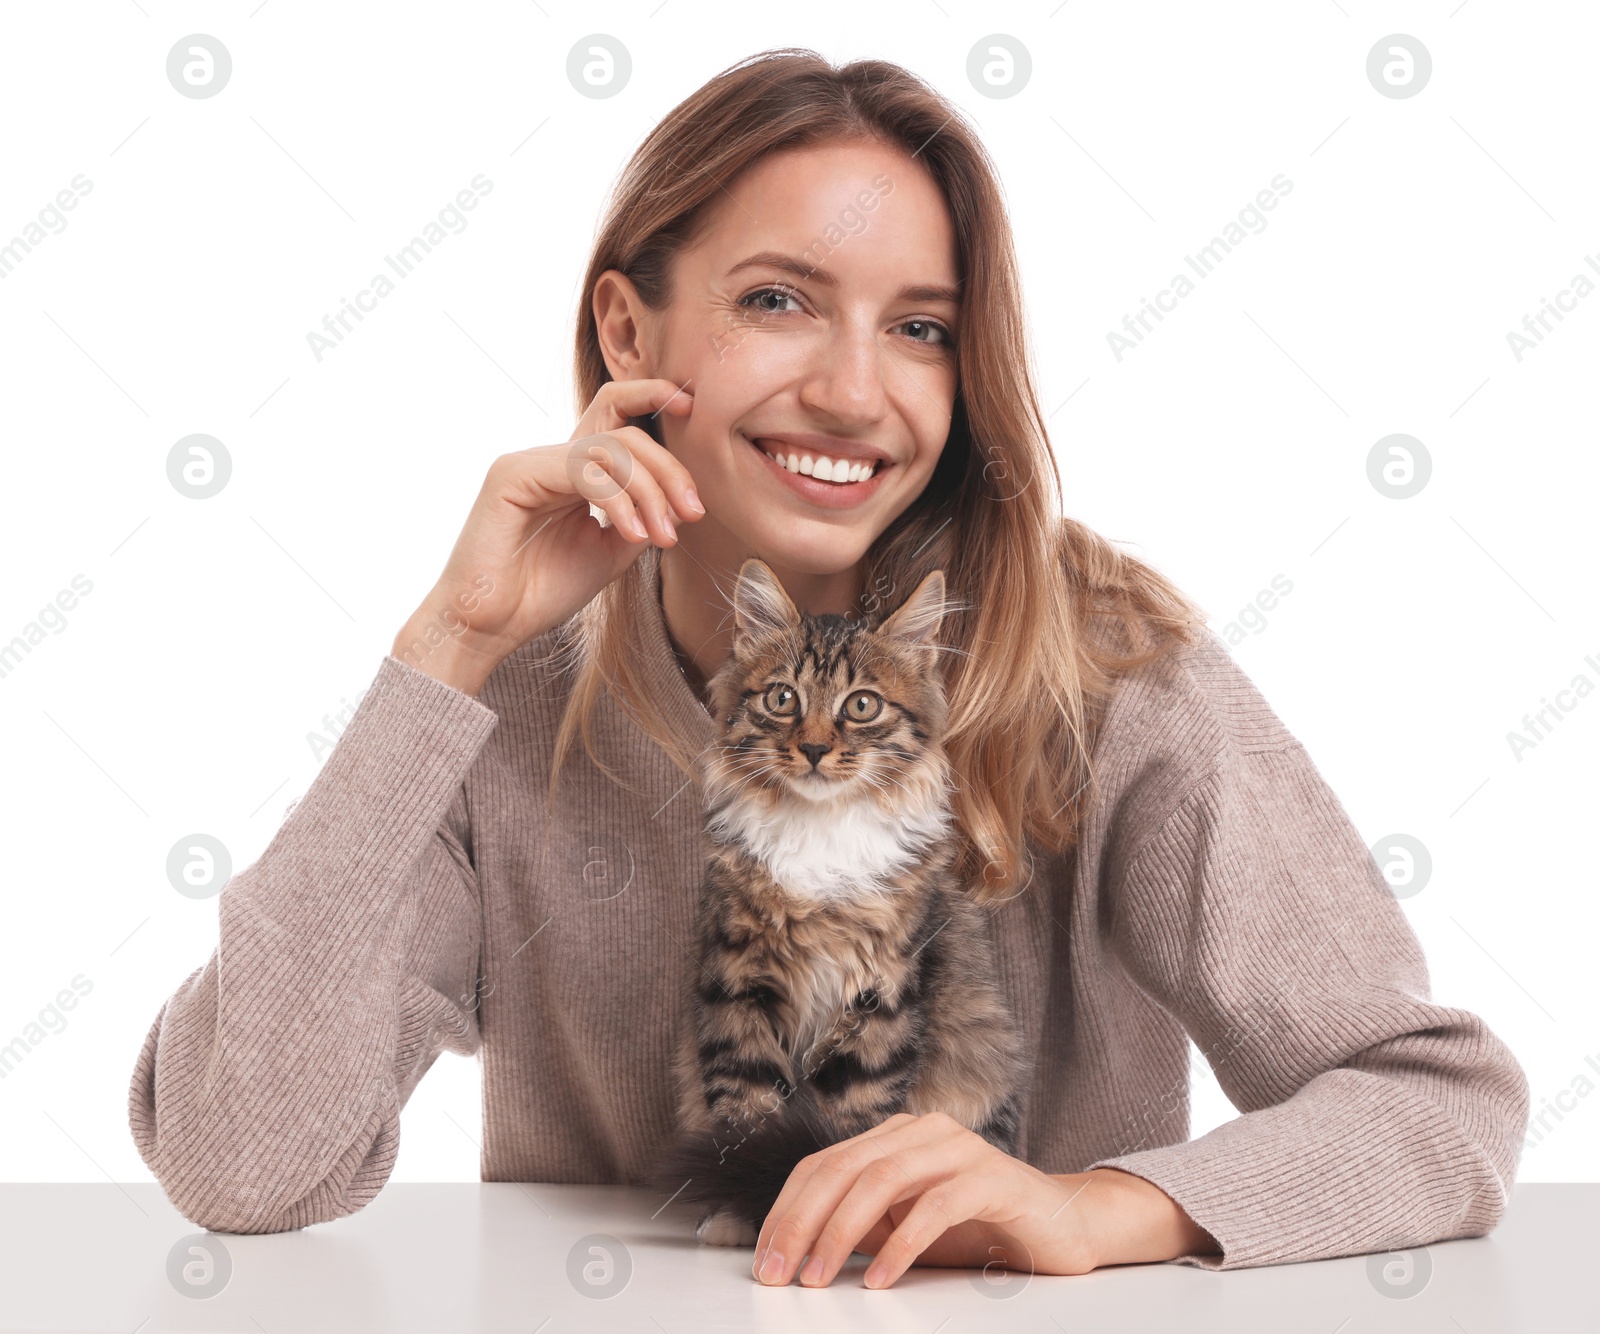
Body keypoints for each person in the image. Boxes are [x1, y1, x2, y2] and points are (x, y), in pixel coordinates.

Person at [128, 48, 1529, 1291]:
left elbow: (1435, 1101)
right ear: (629, 331)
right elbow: (245, 1160)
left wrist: (1104, 1209)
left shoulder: (1100, 664)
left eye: (920, 326)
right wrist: (448, 643)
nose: (856, 393)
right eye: (781, 299)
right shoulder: (505, 697)